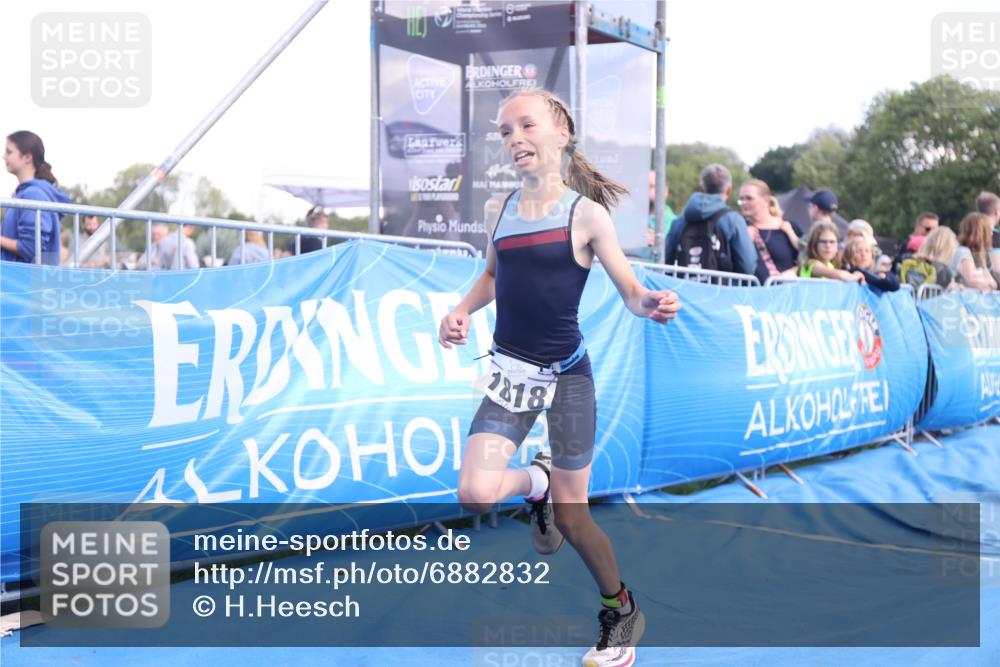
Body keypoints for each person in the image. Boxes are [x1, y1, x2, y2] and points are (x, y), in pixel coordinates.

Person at [438, 88, 680, 667]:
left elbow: (629, 291)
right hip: (509, 376)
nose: (514, 138)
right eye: (504, 131)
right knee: (474, 492)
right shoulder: (498, 210)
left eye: (526, 126)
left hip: (568, 379)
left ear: (562, 133)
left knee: (573, 519)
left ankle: (620, 610)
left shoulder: (585, 214)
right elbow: (493, 275)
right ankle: (535, 483)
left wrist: (652, 302)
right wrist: (462, 310)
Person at [664, 164, 759, 276]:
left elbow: (666, 261)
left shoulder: (679, 221)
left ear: (701, 188)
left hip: (684, 291)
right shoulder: (733, 221)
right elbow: (747, 266)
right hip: (721, 291)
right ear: (729, 190)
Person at [1, 130, 69, 265]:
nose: (4, 157)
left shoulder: (33, 195)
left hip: (23, 283)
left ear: (27, 157)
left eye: (9, 152)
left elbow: (31, 249)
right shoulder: (23, 194)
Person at [738, 178, 801, 281]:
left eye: (749, 198)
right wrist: (744, 242)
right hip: (751, 293)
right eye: (741, 199)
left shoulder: (788, 227)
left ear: (766, 200)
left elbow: (810, 259)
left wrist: (794, 271)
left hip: (786, 292)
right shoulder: (740, 228)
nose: (744, 203)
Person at [794, 221, 863, 283]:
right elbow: (842, 276)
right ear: (814, 245)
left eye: (832, 242)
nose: (828, 245)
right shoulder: (812, 264)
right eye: (823, 242)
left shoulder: (830, 265)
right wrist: (856, 275)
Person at [953, 212, 998, 291]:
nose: (991, 233)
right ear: (981, 232)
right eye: (989, 230)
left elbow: (993, 284)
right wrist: (987, 284)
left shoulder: (981, 256)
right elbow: (972, 281)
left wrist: (987, 285)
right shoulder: (963, 252)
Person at [643, 168, 675, 259]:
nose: (645, 191)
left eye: (651, 186)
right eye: (643, 186)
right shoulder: (629, 220)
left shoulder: (676, 223)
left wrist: (659, 244)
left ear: (665, 191)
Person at [974, 190, 1000, 273]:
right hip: (990, 283)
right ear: (997, 212)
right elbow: (997, 269)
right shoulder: (995, 236)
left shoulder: (969, 233)